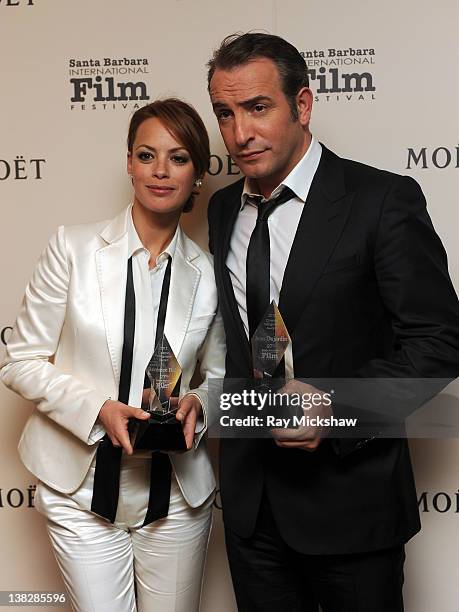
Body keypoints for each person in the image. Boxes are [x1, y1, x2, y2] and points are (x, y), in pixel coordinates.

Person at [206, 32, 459, 611]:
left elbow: (440, 341)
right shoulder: (223, 209)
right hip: (252, 511)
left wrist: (338, 407)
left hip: (352, 508)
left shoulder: (381, 200)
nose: (240, 132)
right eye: (225, 113)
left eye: (258, 108)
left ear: (303, 104)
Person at [0, 98, 225, 612]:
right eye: (147, 155)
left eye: (179, 157)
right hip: (78, 487)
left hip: (177, 495)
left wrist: (200, 404)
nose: (161, 171)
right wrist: (99, 407)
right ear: (128, 162)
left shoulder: (211, 274)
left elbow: (217, 376)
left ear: (198, 173)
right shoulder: (72, 249)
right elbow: (21, 360)